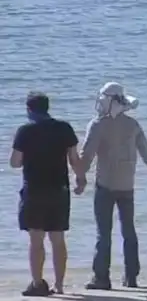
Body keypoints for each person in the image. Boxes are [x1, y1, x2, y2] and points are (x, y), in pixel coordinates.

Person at [81, 82, 147, 290]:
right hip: (127, 185)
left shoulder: (98, 125)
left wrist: (79, 176)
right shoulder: (132, 124)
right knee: (129, 231)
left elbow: (87, 155)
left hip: (105, 185)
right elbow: (146, 152)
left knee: (104, 233)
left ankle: (102, 278)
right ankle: (131, 277)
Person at [10, 92, 86, 296]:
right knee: (58, 239)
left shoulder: (25, 131)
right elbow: (74, 159)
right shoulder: (64, 128)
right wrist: (81, 179)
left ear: (29, 110)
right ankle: (59, 285)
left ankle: (37, 283)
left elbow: (15, 162)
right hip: (59, 189)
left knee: (36, 240)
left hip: (34, 190)